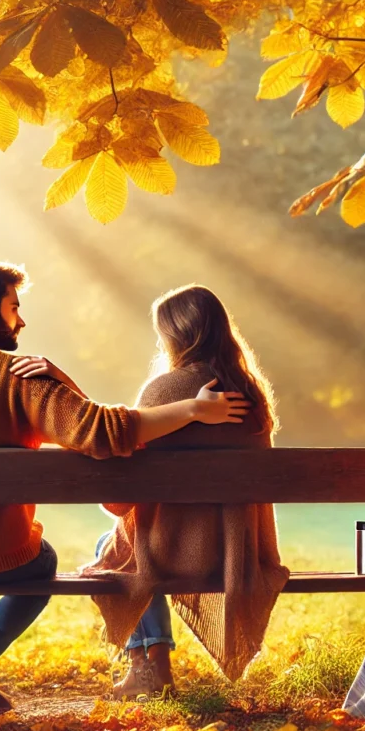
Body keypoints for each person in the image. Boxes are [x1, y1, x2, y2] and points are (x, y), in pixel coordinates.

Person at [0, 261, 250, 712]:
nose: (21, 321)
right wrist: (193, 409)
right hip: (2, 558)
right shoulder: (19, 376)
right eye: (14, 308)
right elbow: (101, 431)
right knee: (44, 565)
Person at [82, 284, 288, 698]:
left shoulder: (162, 393)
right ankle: (150, 664)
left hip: (173, 552)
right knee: (126, 549)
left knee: (116, 549)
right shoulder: (251, 397)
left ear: (176, 336)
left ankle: (150, 664)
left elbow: (123, 493)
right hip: (235, 554)